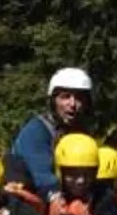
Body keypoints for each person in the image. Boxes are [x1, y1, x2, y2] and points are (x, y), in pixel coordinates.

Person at [6, 66, 97, 197]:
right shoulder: (36, 131)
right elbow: (44, 181)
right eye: (65, 97)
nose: (72, 104)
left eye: (79, 98)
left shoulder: (81, 133)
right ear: (53, 101)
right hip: (32, 204)